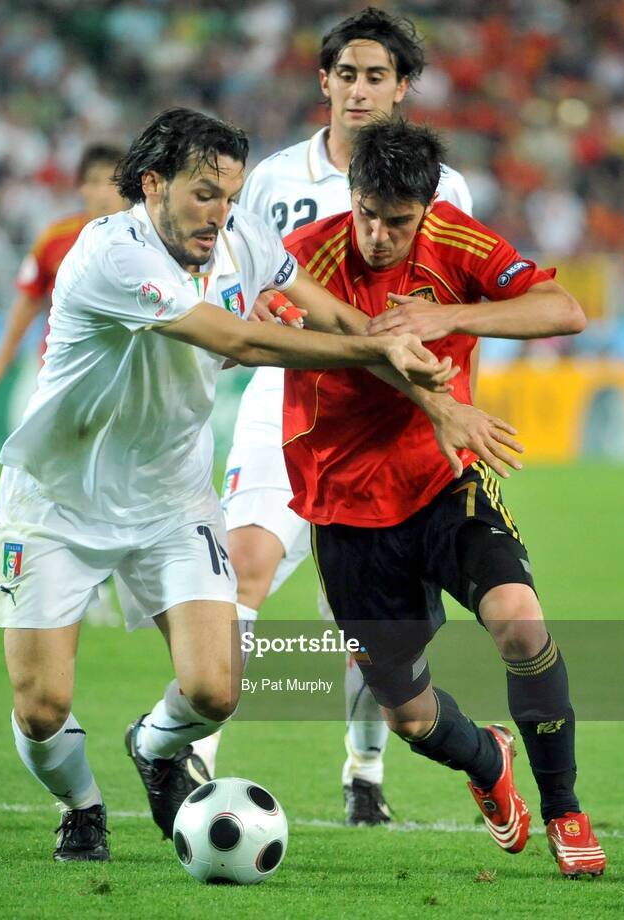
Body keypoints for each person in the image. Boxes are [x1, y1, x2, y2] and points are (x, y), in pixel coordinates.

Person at [0, 107, 510, 863]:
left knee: (216, 690)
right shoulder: (112, 255)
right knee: (42, 708)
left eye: (230, 195)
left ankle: (156, 747)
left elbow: (332, 313)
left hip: (173, 500)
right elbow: (242, 338)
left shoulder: (243, 238)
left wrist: (406, 363)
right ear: (152, 185)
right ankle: (82, 805)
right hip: (57, 502)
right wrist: (372, 356)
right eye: (203, 194)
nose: (220, 214)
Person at [281, 118, 606, 879]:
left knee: (520, 622)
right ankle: (487, 758)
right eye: (367, 213)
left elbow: (564, 309)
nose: (379, 235)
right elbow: (293, 336)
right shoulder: (306, 260)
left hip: (441, 476)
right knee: (407, 713)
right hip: (345, 504)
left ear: (426, 209)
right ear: (349, 195)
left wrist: (450, 313)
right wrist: (419, 372)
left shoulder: (457, 241)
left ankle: (564, 810)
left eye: (398, 222)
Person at [212, 5, 474, 827]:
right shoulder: (274, 182)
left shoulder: (445, 188)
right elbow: (244, 285)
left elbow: (454, 308)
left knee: (365, 620)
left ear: (403, 89)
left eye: (377, 76)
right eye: (347, 75)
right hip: (284, 402)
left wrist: (446, 406)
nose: (360, 90)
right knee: (243, 565)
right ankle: (193, 763)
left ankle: (364, 773)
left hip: (385, 422)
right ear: (324, 81)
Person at [0, 144, 128, 398]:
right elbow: (28, 301)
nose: (103, 193)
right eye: (94, 182)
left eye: (111, 182)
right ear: (81, 187)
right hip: (62, 370)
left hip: (125, 369)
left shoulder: (146, 241)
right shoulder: (54, 239)